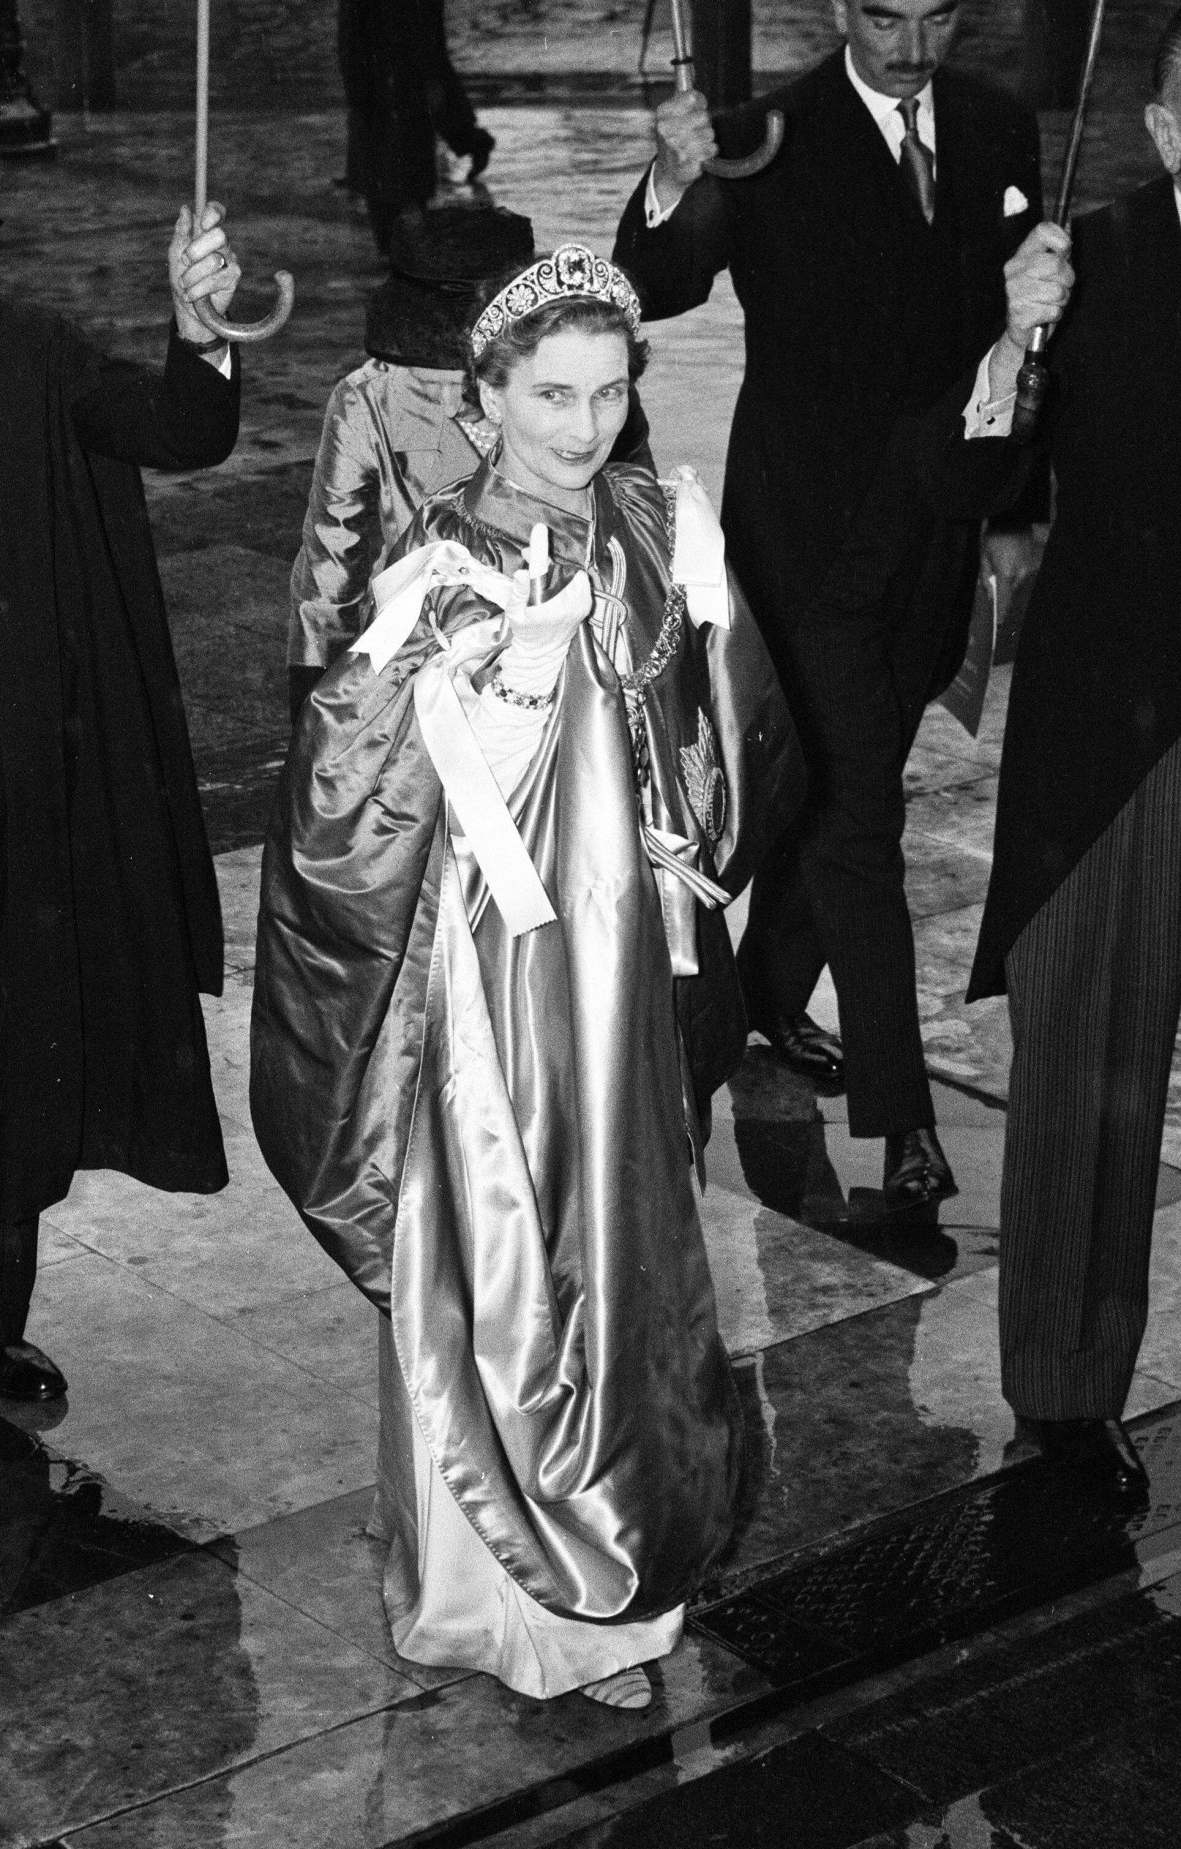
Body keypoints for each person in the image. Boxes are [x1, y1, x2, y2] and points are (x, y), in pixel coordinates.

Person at [251, 245, 804, 1705]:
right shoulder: (440, 560)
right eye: (551, 394)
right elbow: (334, 793)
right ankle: (506, 1593)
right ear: (484, 398)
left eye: (610, 391)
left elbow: (725, 731)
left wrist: (703, 679)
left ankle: (612, 1541)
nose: (583, 425)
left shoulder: (653, 515)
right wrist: (458, 695)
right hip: (501, 977)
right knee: (503, 1239)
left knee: (622, 1236)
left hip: (630, 960)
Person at [613, 0, 1045, 1206]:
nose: (912, 46)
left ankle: (760, 997)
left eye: (937, 16)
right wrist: (670, 173)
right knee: (861, 820)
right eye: (886, 17)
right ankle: (901, 1126)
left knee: (834, 781)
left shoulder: (997, 125)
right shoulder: (769, 136)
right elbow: (657, 283)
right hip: (807, 543)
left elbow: (1022, 333)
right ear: (844, 9)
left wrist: (1011, 511)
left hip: (937, 537)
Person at [918, 10, 1181, 1502]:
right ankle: (1064, 1395)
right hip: (1110, 744)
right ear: (1164, 129)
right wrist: (1011, 337)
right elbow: (986, 478)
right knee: (1088, 1065)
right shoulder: (1087, 265)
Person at [0, 204, 242, 1403]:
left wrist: (202, 334)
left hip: (2, 793)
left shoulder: (26, 353)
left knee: (1, 1058)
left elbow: (180, 427)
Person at [288, 201, 654, 723]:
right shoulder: (587, 380)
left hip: (428, 662)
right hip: (560, 645)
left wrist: (316, 708)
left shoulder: (367, 393)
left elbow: (333, 566)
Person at [337, 0, 494, 257]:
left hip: (401, 83)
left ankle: (470, 141)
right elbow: (352, 43)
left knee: (401, 176)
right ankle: (470, 141)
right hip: (387, 85)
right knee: (391, 176)